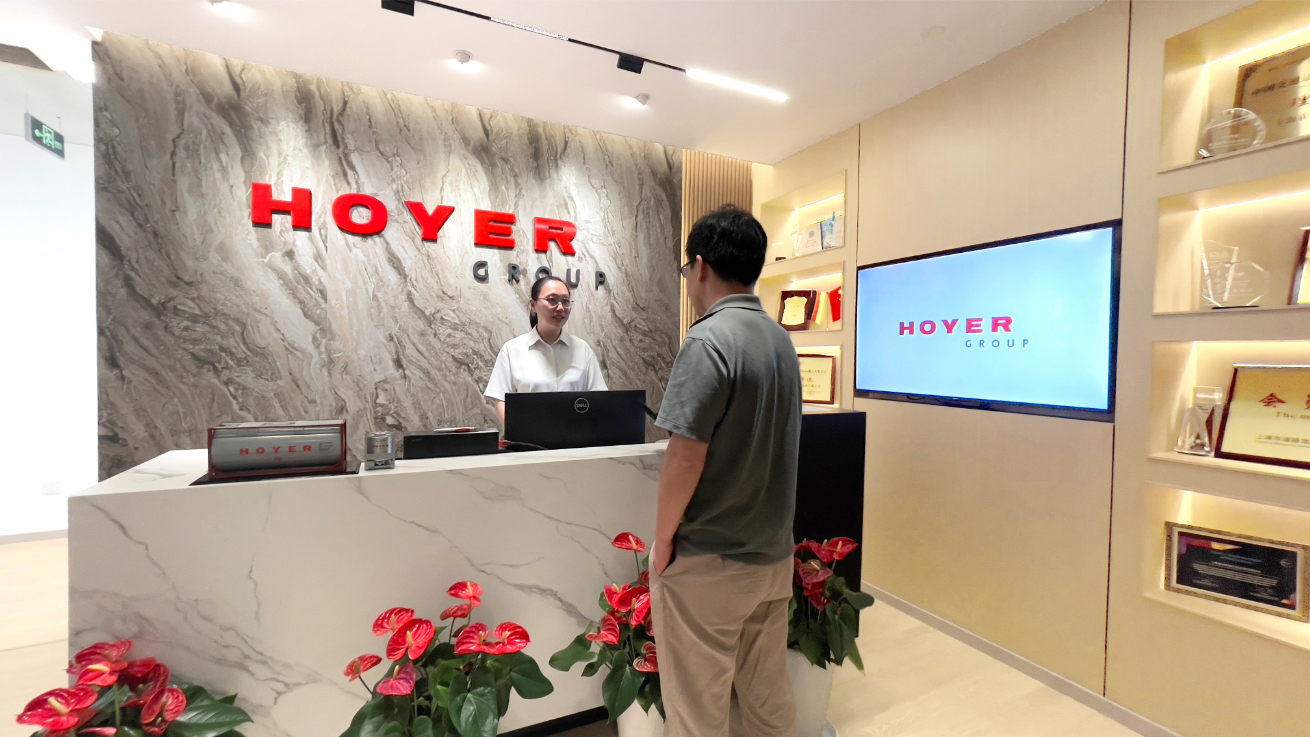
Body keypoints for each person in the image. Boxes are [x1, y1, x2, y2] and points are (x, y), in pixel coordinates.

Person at [650, 205, 802, 737]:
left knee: (697, 710)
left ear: (700, 267)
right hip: (772, 556)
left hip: (710, 561)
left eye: (687, 272)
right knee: (767, 699)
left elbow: (685, 457)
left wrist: (662, 542)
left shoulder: (708, 341)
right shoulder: (781, 340)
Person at [484, 275, 607, 426]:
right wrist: (518, 436)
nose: (560, 307)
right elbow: (501, 401)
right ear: (533, 305)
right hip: (527, 445)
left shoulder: (583, 350)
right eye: (552, 300)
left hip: (576, 445)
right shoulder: (512, 350)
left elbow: (599, 399)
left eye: (565, 301)